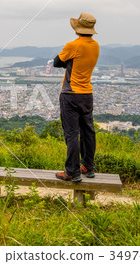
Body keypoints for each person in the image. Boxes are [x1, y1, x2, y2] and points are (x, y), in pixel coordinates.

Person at [53, 12, 99, 182]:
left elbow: (56, 62)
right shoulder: (95, 46)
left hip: (70, 94)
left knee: (72, 133)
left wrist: (68, 61)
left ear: (77, 29)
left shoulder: (73, 45)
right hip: (87, 94)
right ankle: (88, 166)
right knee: (88, 131)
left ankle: (72, 172)